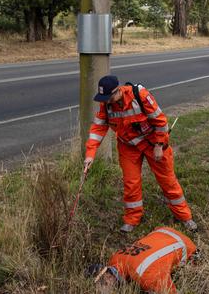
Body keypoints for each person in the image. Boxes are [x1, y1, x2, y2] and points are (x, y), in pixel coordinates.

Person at [84, 75, 197, 233]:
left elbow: (161, 122)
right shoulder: (106, 104)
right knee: (131, 183)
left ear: (117, 91)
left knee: (168, 181)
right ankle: (132, 219)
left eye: (108, 97)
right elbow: (98, 128)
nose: (105, 101)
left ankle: (184, 217)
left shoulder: (141, 95)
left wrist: (159, 145)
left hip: (152, 143)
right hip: (128, 146)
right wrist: (90, 153)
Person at [86, 226, 197, 293]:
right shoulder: (115, 258)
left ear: (108, 275)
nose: (100, 291)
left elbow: (169, 291)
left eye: (103, 284)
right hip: (162, 231)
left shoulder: (145, 275)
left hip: (186, 246)